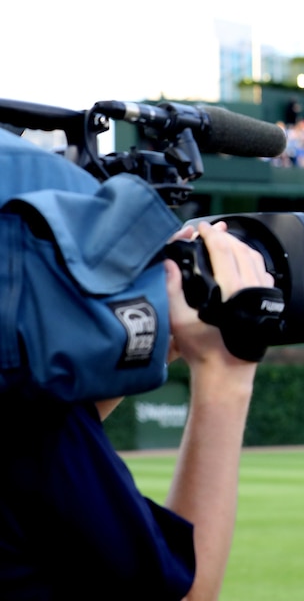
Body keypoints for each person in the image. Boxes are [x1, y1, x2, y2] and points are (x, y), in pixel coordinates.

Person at [0, 208, 271, 599]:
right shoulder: (31, 427)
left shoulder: (35, 428)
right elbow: (184, 594)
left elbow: (44, 471)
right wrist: (225, 370)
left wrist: (150, 341)